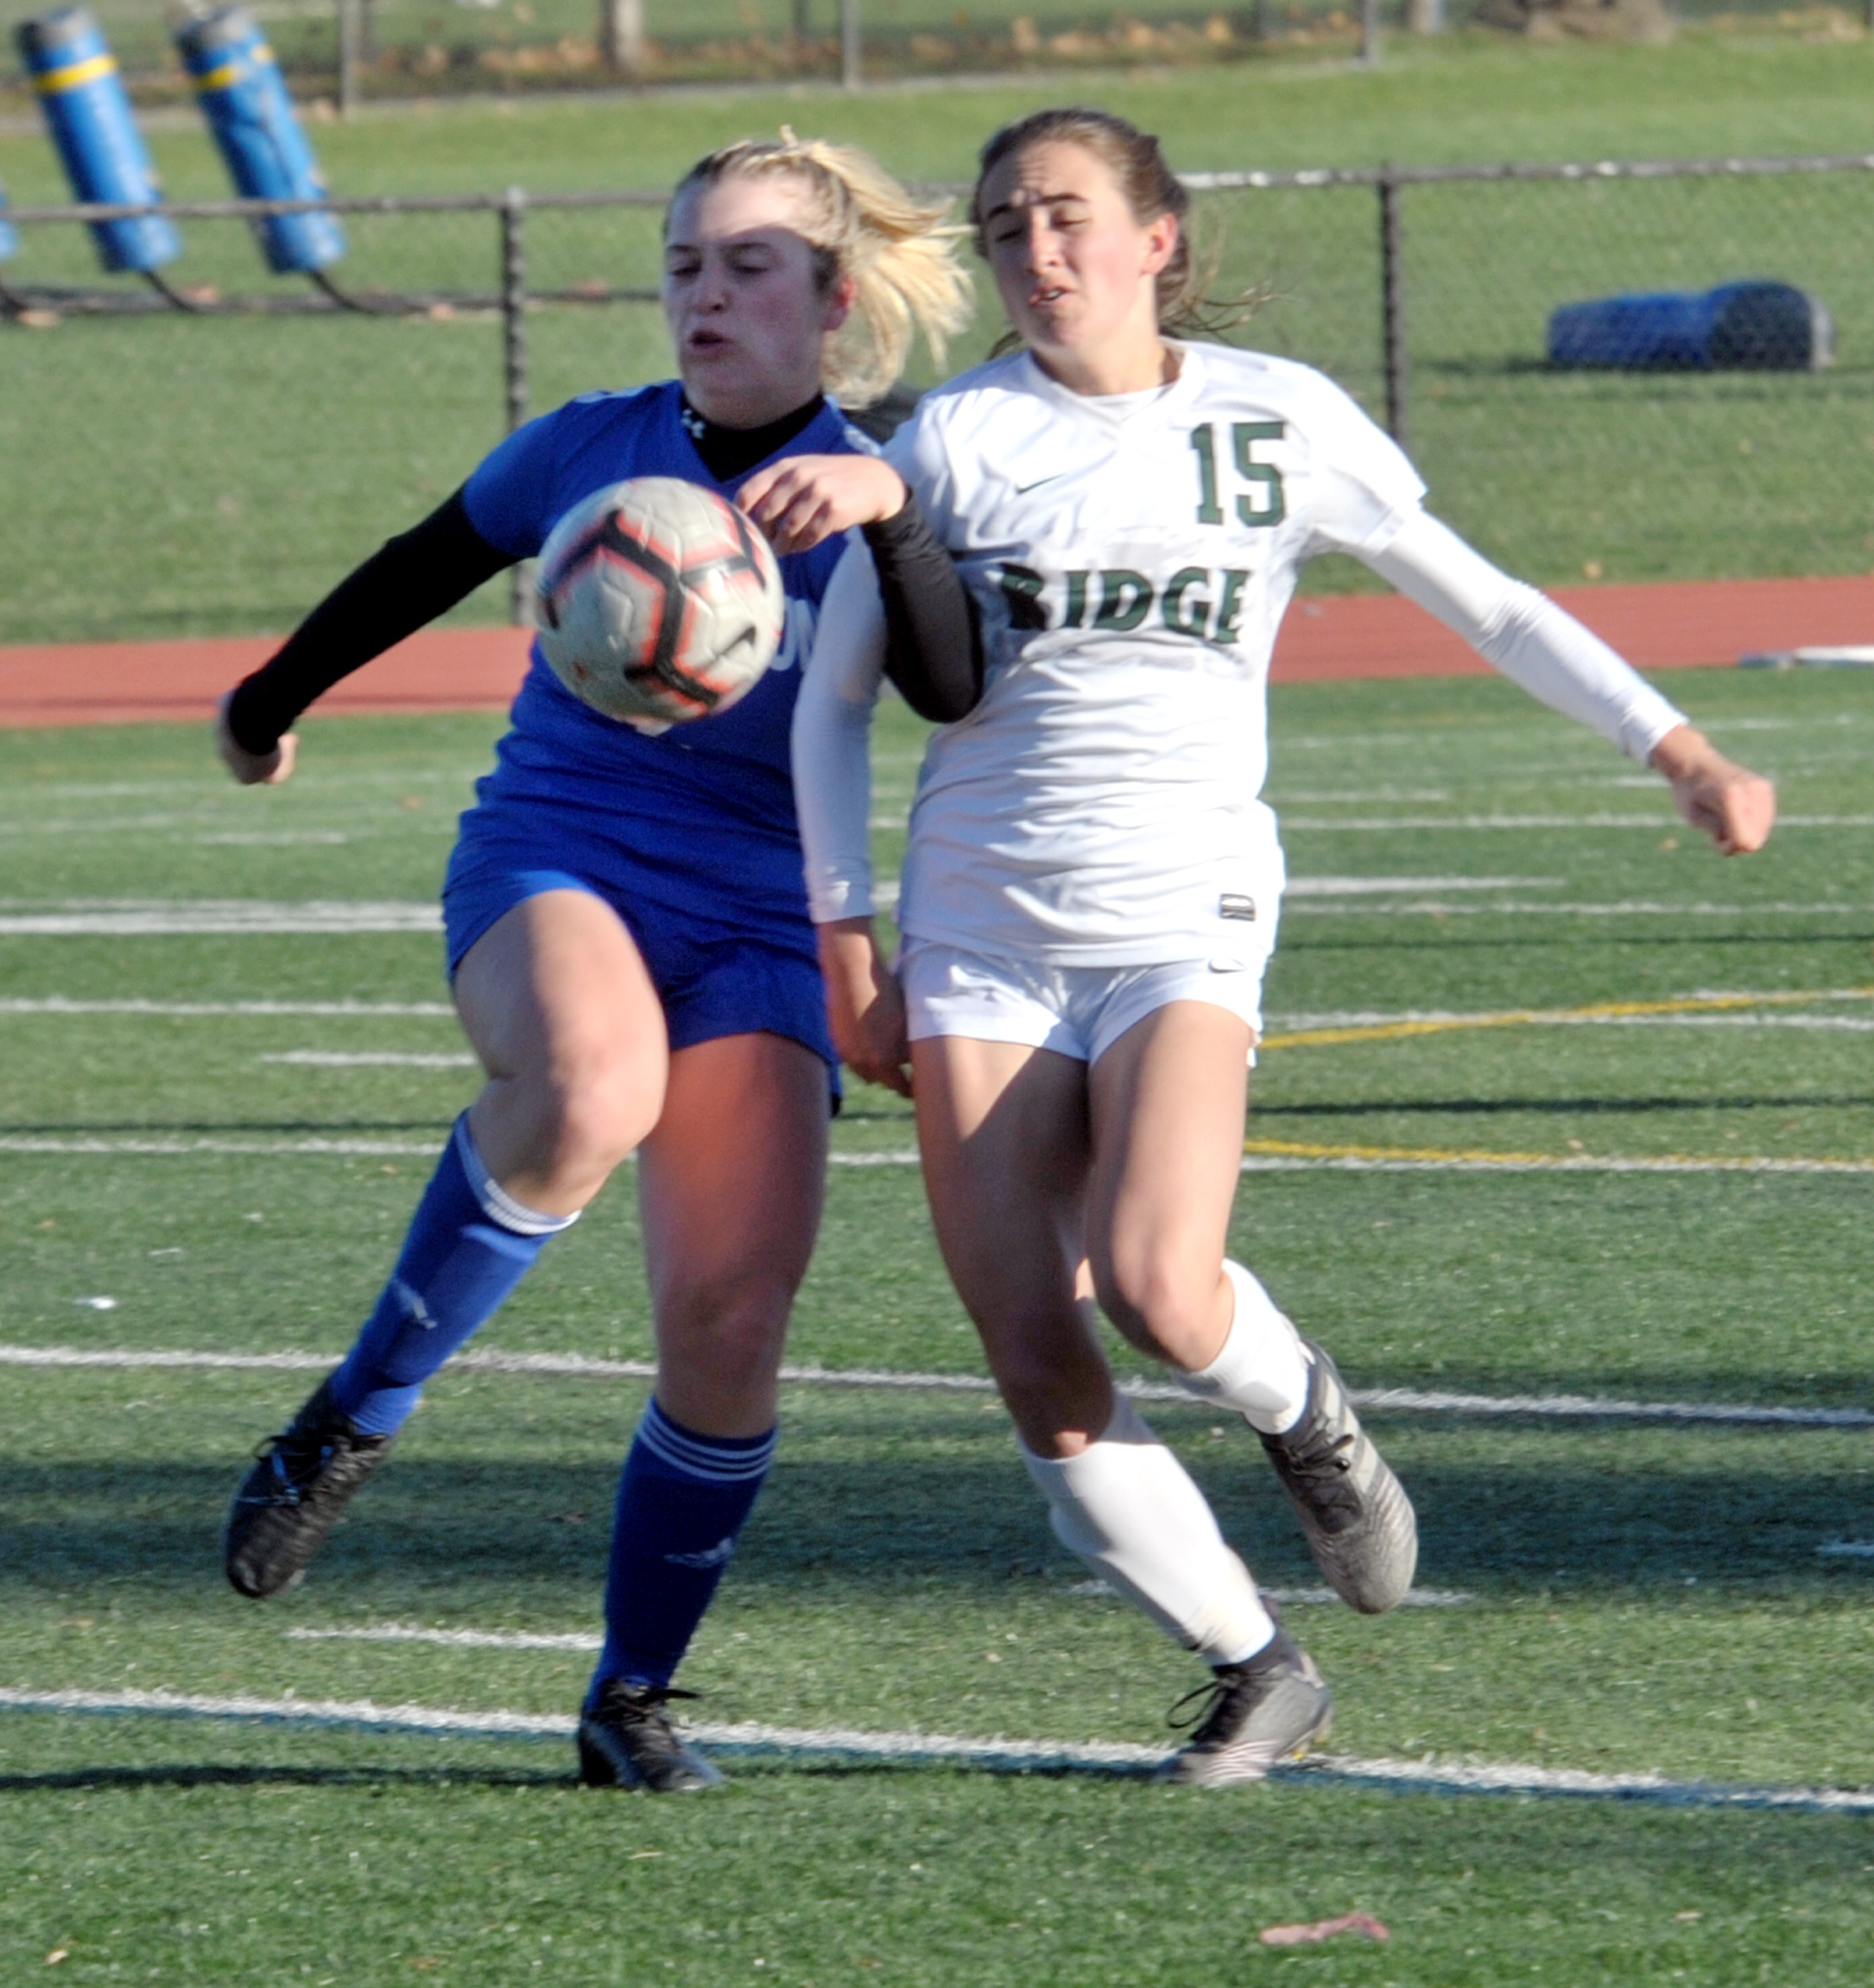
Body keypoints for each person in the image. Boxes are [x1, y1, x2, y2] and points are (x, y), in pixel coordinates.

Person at [781, 106, 1777, 1787]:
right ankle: (1254, 1666)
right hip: (983, 923)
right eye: (1011, 222)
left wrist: (1678, 749)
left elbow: (1490, 600)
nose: (1041, 250)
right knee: (1032, 1341)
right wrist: (845, 939)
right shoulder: (947, 443)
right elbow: (836, 705)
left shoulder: (1276, 419)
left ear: (1159, 236)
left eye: (1073, 215)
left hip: (1185, 901)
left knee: (1167, 1284)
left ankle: (1305, 1411)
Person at [214, 131, 973, 1794]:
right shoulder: (595, 451)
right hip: (560, 853)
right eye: (685, 263)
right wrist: (265, 701)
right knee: (588, 1087)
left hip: (766, 913)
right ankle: (354, 1414)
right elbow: (426, 558)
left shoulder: (880, 484)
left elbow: (950, 683)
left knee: (730, 1312)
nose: (707, 292)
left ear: (834, 298)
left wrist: (897, 509)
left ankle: (632, 1696)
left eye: (748, 265)